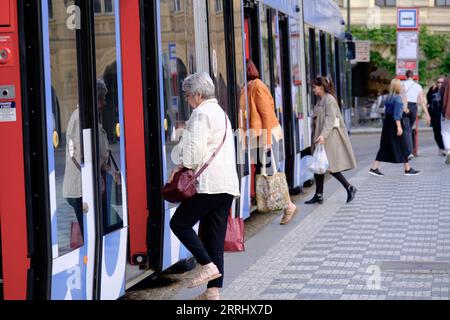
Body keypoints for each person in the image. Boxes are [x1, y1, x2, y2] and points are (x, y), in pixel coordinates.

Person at [169, 72, 240, 300]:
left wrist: (180, 167)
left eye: (188, 96)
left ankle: (206, 264)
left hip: (209, 184)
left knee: (179, 223)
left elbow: (194, 153)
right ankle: (212, 292)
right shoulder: (221, 113)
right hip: (227, 184)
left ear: (198, 95)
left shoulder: (200, 114)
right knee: (213, 239)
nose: (188, 101)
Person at [246, 59, 297, 225]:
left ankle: (288, 206)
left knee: (273, 172)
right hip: (260, 139)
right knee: (270, 171)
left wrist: (267, 140)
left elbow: (267, 114)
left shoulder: (257, 86)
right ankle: (283, 205)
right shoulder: (249, 87)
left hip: (266, 138)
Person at [63, 79, 111, 245]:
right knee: (95, 228)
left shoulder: (87, 117)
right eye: (102, 98)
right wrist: (92, 176)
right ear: (95, 98)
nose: (104, 103)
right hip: (82, 187)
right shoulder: (79, 118)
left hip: (89, 184)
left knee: (105, 223)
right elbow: (77, 153)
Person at [305, 76, 357, 205]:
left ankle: (349, 187)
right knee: (319, 166)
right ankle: (318, 195)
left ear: (321, 87)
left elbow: (330, 119)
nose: (313, 89)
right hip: (322, 138)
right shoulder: (322, 100)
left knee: (330, 166)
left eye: (314, 87)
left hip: (328, 138)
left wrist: (323, 136)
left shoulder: (329, 100)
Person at [369, 78, 421, 176]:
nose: (402, 87)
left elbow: (388, 111)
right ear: (398, 87)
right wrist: (399, 127)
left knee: (385, 146)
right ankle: (407, 169)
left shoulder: (388, 97)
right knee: (402, 145)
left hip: (387, 123)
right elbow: (397, 115)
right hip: (394, 124)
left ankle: (374, 167)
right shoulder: (398, 98)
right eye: (401, 85)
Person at [401, 70, 431, 159]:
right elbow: (421, 102)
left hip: (404, 107)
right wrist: (427, 115)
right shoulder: (418, 86)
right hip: (414, 107)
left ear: (405, 76)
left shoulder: (402, 84)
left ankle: (409, 152)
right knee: (409, 129)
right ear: (413, 76)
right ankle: (409, 150)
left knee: (406, 130)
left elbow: (400, 97)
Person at [426, 76, 446, 156]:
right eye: (438, 82)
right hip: (434, 115)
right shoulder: (432, 89)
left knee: (444, 132)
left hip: (443, 114)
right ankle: (441, 147)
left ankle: (445, 148)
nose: (440, 84)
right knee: (436, 132)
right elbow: (428, 100)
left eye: (441, 82)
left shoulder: (446, 90)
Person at [442, 75, 450, 164]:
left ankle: (449, 152)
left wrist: (443, 109)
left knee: (445, 132)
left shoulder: (447, 81)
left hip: (448, 110)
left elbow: (444, 97)